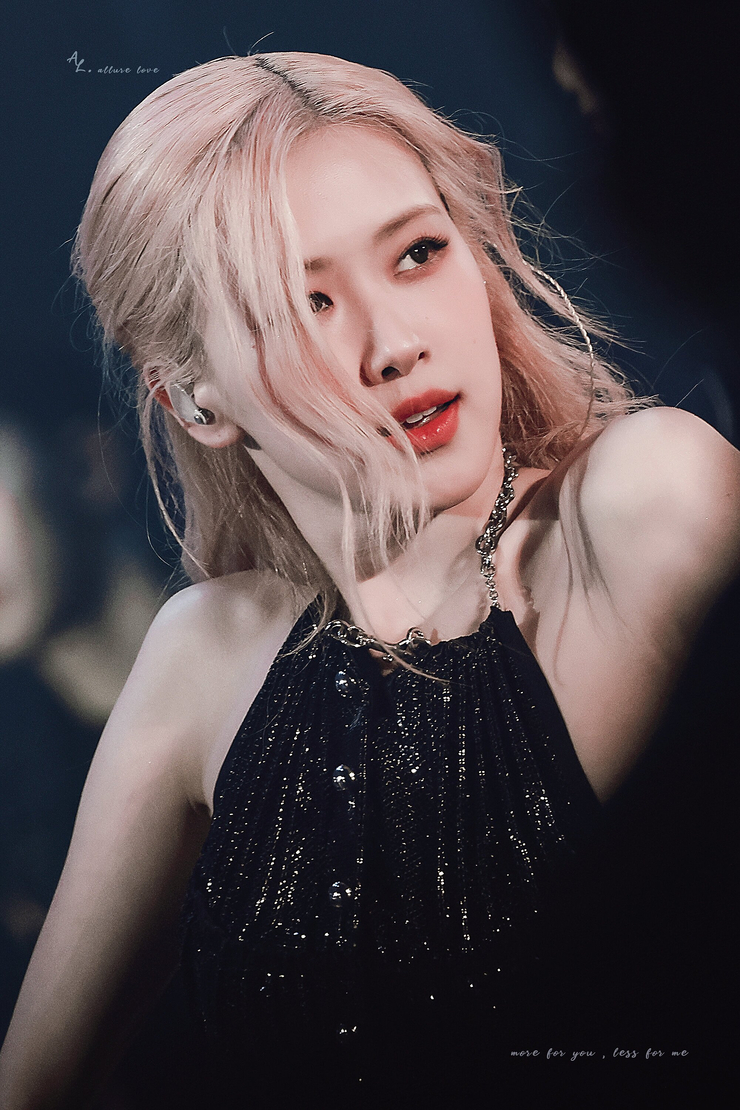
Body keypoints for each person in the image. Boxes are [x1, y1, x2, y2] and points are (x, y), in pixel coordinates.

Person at [0, 52, 738, 1107]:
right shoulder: (205, 657)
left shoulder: (641, 504)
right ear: (194, 399)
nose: (393, 346)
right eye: (302, 305)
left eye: (419, 253)